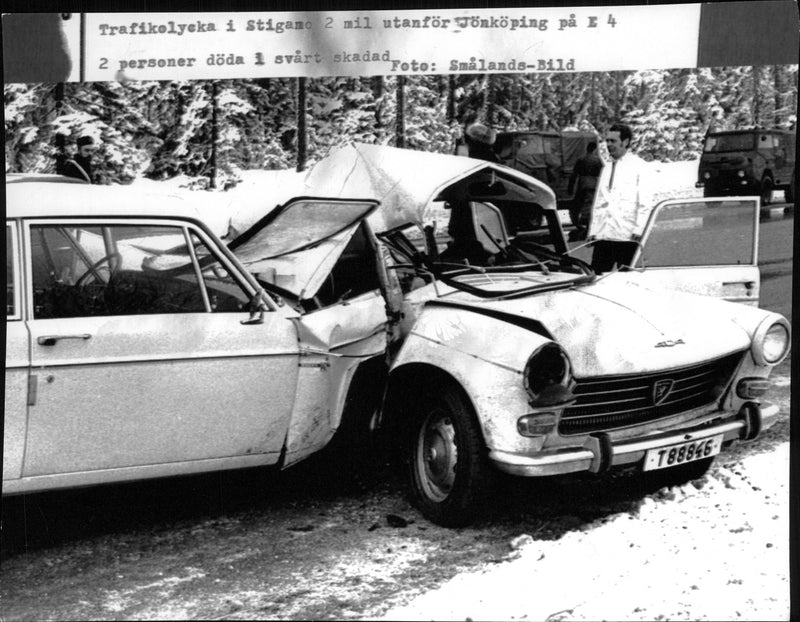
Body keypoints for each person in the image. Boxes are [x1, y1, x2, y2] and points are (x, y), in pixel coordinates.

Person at [587, 123, 653, 273]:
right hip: (604, 237)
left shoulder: (639, 167)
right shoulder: (607, 167)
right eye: (607, 141)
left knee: (627, 283)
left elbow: (645, 203)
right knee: (596, 279)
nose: (608, 145)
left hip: (627, 237)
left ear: (625, 142)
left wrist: (639, 230)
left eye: (613, 141)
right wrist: (593, 231)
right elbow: (599, 203)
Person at [567, 141, 603, 240]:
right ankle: (587, 225)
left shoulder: (581, 159)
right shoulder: (597, 160)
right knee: (589, 204)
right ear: (595, 149)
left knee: (578, 203)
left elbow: (574, 174)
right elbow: (602, 174)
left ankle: (578, 223)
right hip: (593, 183)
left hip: (582, 183)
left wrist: (570, 187)